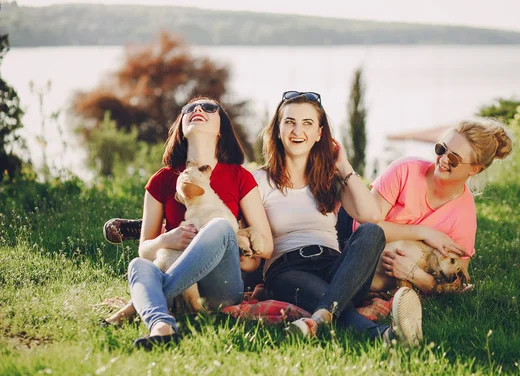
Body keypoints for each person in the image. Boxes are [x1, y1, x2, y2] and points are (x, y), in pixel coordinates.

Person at [252, 90, 423, 346]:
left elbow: (371, 216)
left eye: (307, 123)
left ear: (320, 133)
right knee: (330, 298)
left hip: (338, 268)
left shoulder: (330, 179)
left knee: (371, 233)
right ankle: (384, 335)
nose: (297, 130)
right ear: (277, 129)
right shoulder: (259, 181)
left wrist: (343, 166)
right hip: (288, 270)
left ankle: (320, 318)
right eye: (289, 122)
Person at [117, 96, 273, 349]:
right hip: (176, 277)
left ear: (221, 128)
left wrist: (242, 251)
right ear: (180, 127)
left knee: (220, 226)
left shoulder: (239, 177)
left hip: (219, 289)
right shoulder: (162, 180)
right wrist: (166, 239)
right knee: (138, 266)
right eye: (189, 109)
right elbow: (144, 250)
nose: (197, 109)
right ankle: (161, 327)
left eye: (209, 108)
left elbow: (266, 248)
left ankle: (143, 302)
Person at [371, 119, 513, 293]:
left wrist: (415, 275)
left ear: (474, 169)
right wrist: (424, 233)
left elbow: (456, 282)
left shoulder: (464, 217)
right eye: (441, 149)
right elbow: (364, 227)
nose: (443, 159)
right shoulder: (405, 170)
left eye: (454, 159)